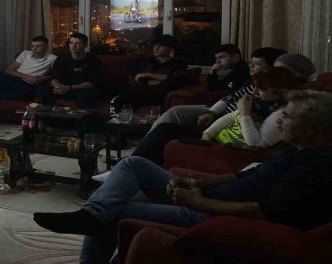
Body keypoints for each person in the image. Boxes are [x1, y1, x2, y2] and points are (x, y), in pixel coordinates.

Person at [33, 90, 332, 264]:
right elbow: (243, 175)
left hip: (213, 216)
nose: (279, 122)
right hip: (210, 199)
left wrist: (198, 201)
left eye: (287, 117)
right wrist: (198, 183)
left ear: (315, 128)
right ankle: (93, 215)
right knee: (133, 165)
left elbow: (264, 213)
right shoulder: (301, 149)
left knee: (116, 210)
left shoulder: (320, 167)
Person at [132, 66, 299, 166]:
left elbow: (255, 145)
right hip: (220, 132)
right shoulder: (265, 102)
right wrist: (211, 123)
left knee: (166, 132)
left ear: (280, 91)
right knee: (166, 129)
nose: (256, 91)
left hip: (226, 142)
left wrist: (245, 114)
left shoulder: (281, 115)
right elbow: (231, 111)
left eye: (261, 89)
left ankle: (135, 165)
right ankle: (135, 162)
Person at [146, 47, 287, 134]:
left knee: (170, 123)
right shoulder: (250, 80)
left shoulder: (245, 73)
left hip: (225, 118)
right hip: (218, 110)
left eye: (257, 64)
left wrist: (215, 110)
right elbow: (225, 92)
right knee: (174, 113)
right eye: (251, 62)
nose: (251, 66)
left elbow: (230, 97)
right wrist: (212, 74)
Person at [0, 36, 57, 131]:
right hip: (14, 78)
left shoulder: (52, 59)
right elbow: (8, 70)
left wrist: (44, 78)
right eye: (32, 46)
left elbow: (56, 75)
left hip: (27, 85)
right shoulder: (25, 53)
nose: (34, 49)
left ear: (46, 47)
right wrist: (26, 76)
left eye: (38, 46)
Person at [108, 34, 189, 114]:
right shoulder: (147, 61)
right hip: (141, 90)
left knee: (126, 97)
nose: (156, 48)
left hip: (158, 93)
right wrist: (157, 80)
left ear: (171, 49)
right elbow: (136, 78)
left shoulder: (178, 63)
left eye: (161, 45)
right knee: (120, 98)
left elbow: (174, 79)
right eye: (155, 45)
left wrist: (148, 75)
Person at [39, 32, 104, 109]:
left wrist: (69, 88)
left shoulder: (93, 60)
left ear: (85, 46)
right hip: (63, 88)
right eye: (71, 43)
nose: (73, 46)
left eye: (78, 43)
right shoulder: (62, 58)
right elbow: (54, 77)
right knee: (44, 91)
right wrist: (57, 86)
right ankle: (45, 115)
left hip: (81, 89)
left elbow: (93, 83)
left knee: (84, 96)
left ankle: (84, 116)